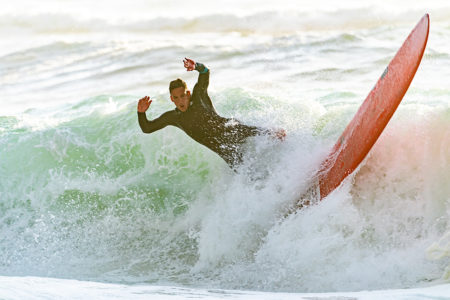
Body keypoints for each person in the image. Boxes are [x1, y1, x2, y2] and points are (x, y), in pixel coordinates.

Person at [137, 58, 285, 169]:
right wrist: (141, 113)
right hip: (225, 150)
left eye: (183, 96)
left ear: (188, 94)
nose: (181, 101)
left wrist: (196, 66)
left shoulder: (198, 95)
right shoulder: (173, 117)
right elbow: (147, 128)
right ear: (172, 99)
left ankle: (287, 151)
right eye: (176, 98)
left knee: (272, 135)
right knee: (250, 174)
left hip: (233, 130)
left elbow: (205, 72)